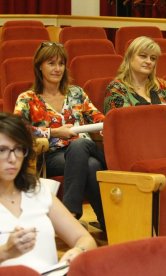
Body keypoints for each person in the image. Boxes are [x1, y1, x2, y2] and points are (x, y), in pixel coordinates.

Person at [13, 41, 106, 231]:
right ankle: (109, 223)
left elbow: (97, 116)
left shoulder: (76, 93)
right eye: (51, 63)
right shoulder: (28, 98)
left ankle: (70, 215)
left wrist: (107, 126)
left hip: (84, 146)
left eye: (61, 64)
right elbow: (17, 129)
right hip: (51, 155)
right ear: (39, 66)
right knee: (91, 165)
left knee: (79, 146)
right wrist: (54, 132)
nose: (57, 69)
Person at [0, 113, 96, 273]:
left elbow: (84, 239)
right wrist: (5, 252)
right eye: (2, 150)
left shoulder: (38, 190)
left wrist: (78, 251)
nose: (13, 158)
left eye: (18, 149)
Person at [104, 36, 166, 141]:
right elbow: (125, 126)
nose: (149, 61)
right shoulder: (116, 88)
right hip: (136, 142)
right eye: (143, 56)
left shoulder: (161, 85)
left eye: (153, 58)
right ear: (129, 58)